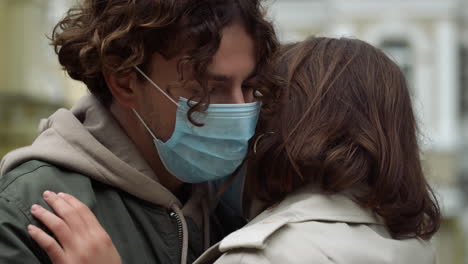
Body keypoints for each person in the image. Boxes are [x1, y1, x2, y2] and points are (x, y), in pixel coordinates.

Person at [28, 37, 441, 264]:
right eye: (210, 87)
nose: (242, 110)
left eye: (255, 93)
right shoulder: (414, 244)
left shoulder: (262, 256)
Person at [0, 0, 279, 263]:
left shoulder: (239, 200)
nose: (239, 111)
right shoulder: (29, 213)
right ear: (125, 82)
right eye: (207, 89)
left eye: (248, 87)